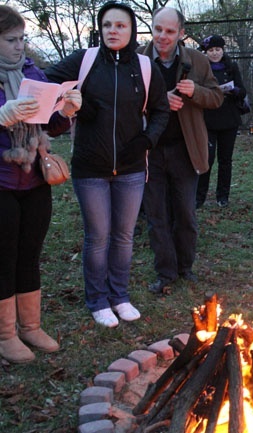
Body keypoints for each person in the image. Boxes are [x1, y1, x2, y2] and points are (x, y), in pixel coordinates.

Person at [45, 1, 170, 327]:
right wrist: (73, 106)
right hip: (90, 169)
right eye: (108, 25)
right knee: (98, 236)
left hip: (130, 168)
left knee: (124, 236)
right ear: (100, 29)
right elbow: (45, 83)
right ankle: (98, 300)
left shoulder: (144, 67)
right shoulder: (85, 61)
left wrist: (147, 141)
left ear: (131, 31)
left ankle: (120, 296)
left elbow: (161, 110)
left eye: (121, 25)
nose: (113, 31)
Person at [0, 4, 81, 362]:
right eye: (11, 40)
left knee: (30, 254)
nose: (19, 46)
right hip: (1, 184)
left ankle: (30, 327)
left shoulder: (31, 70)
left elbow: (50, 125)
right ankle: (5, 335)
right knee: (4, 256)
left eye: (22, 38)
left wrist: (66, 111)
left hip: (35, 181)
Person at [138, 7, 223, 294]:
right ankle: (165, 273)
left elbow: (216, 97)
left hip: (185, 150)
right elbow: (124, 101)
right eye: (158, 29)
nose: (162, 36)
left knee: (186, 213)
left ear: (181, 33)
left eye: (170, 31)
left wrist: (194, 92)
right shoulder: (136, 59)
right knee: (156, 215)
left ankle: (185, 267)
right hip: (149, 151)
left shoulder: (197, 61)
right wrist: (161, 100)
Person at [195, 35, 247, 209]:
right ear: (206, 52)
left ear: (223, 50)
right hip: (208, 119)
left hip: (229, 119)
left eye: (218, 49)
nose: (215, 53)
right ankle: (199, 196)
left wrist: (234, 90)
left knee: (225, 160)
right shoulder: (202, 68)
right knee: (206, 160)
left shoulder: (231, 66)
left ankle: (223, 196)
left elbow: (242, 90)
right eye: (211, 50)